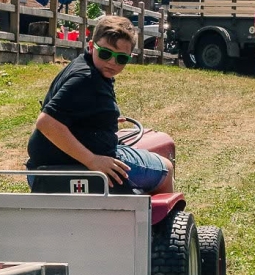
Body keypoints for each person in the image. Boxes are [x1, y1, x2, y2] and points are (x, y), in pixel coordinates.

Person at [26, 15, 173, 195]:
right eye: (105, 53)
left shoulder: (87, 67)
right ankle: (154, 214)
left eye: (121, 58)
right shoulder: (85, 78)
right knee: (166, 169)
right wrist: (92, 160)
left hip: (40, 168)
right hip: (74, 165)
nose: (112, 62)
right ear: (91, 46)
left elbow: (72, 111)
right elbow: (46, 122)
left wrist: (100, 119)